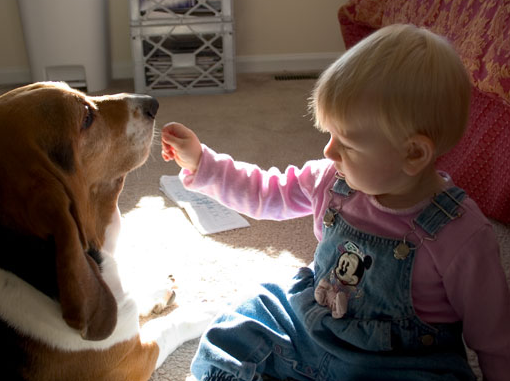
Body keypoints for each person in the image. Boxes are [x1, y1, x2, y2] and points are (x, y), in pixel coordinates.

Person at [161, 24, 510, 380]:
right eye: (330, 135)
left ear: (414, 153)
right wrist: (202, 163)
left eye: (348, 143)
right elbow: (266, 193)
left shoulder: (461, 234)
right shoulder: (332, 179)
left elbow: (495, 338)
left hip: (398, 363)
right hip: (313, 327)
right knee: (248, 315)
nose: (329, 151)